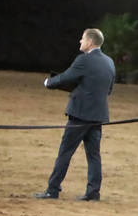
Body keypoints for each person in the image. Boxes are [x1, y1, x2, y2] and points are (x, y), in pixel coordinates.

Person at [34, 28, 115, 201]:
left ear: (90, 42)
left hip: (80, 115)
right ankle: (93, 192)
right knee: (94, 156)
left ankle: (52, 189)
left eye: (83, 39)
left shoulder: (84, 60)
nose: (80, 41)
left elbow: (66, 77)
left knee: (65, 152)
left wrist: (49, 82)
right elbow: (108, 90)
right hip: (98, 115)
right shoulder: (109, 62)